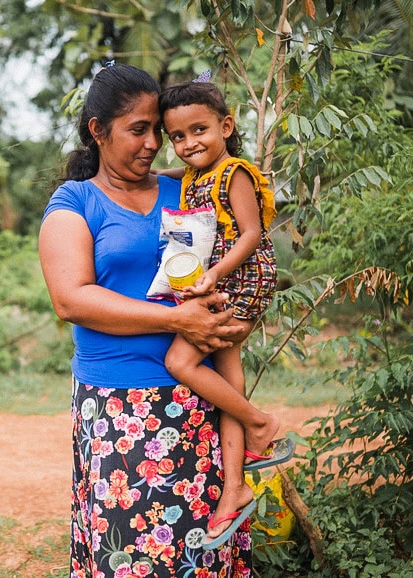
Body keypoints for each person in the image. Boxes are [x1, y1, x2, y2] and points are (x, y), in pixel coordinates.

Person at [39, 62, 254, 578]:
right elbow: (72, 299)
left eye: (157, 129)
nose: (153, 142)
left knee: (204, 550)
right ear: (98, 130)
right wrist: (178, 323)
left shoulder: (185, 189)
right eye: (138, 129)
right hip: (120, 410)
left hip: (200, 400)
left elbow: (239, 242)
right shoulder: (75, 203)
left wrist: (232, 320)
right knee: (132, 552)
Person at [158, 79, 292, 549]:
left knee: (181, 361)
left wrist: (213, 275)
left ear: (226, 126)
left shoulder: (233, 172)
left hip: (242, 278)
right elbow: (169, 177)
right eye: (177, 136)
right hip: (224, 280)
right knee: (227, 376)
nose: (189, 142)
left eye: (200, 130)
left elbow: (252, 233)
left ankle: (260, 423)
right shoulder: (193, 175)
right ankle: (233, 487)